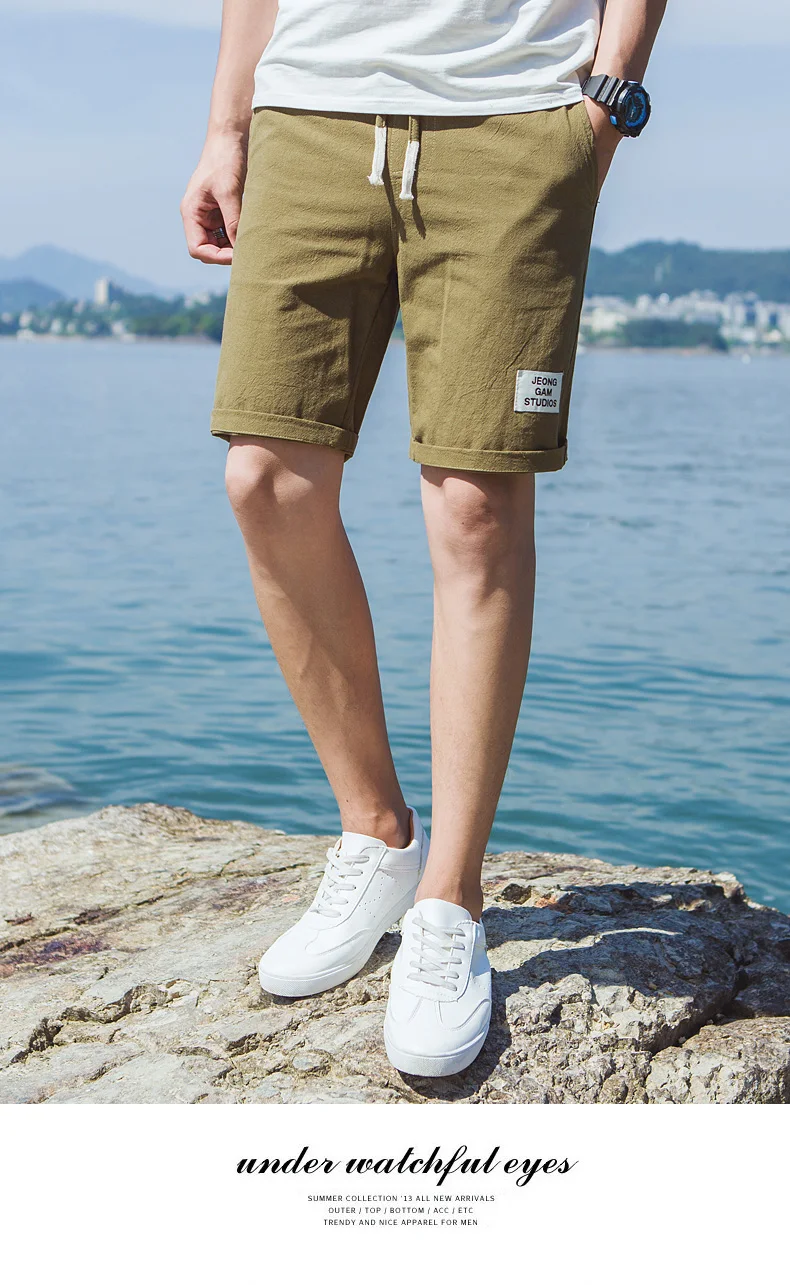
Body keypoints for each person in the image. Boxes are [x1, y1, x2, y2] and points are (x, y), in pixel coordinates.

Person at [181, 0, 666, 1079]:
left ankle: (450, 897)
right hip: (309, 112)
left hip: (514, 112)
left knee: (475, 506)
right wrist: (226, 125)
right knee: (265, 478)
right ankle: (378, 834)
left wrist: (604, 103)